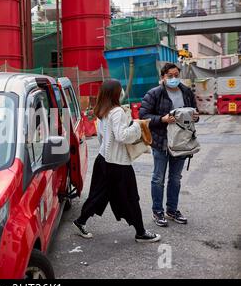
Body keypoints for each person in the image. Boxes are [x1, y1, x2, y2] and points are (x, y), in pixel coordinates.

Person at [72, 79, 161, 243]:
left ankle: (81, 221)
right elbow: (123, 136)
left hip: (103, 160)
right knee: (130, 197)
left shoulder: (101, 111)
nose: (122, 92)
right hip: (118, 164)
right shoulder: (117, 112)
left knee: (98, 195)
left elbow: (101, 136)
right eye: (120, 89)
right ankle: (140, 233)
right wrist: (136, 125)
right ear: (115, 93)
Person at [139, 63, 199, 227]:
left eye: (176, 75)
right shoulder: (154, 94)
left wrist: (196, 117)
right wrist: (163, 119)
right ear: (163, 77)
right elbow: (143, 116)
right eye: (169, 76)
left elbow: (195, 111)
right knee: (158, 178)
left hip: (181, 142)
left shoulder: (186, 91)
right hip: (161, 142)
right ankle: (157, 211)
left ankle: (172, 210)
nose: (173, 78)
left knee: (175, 178)